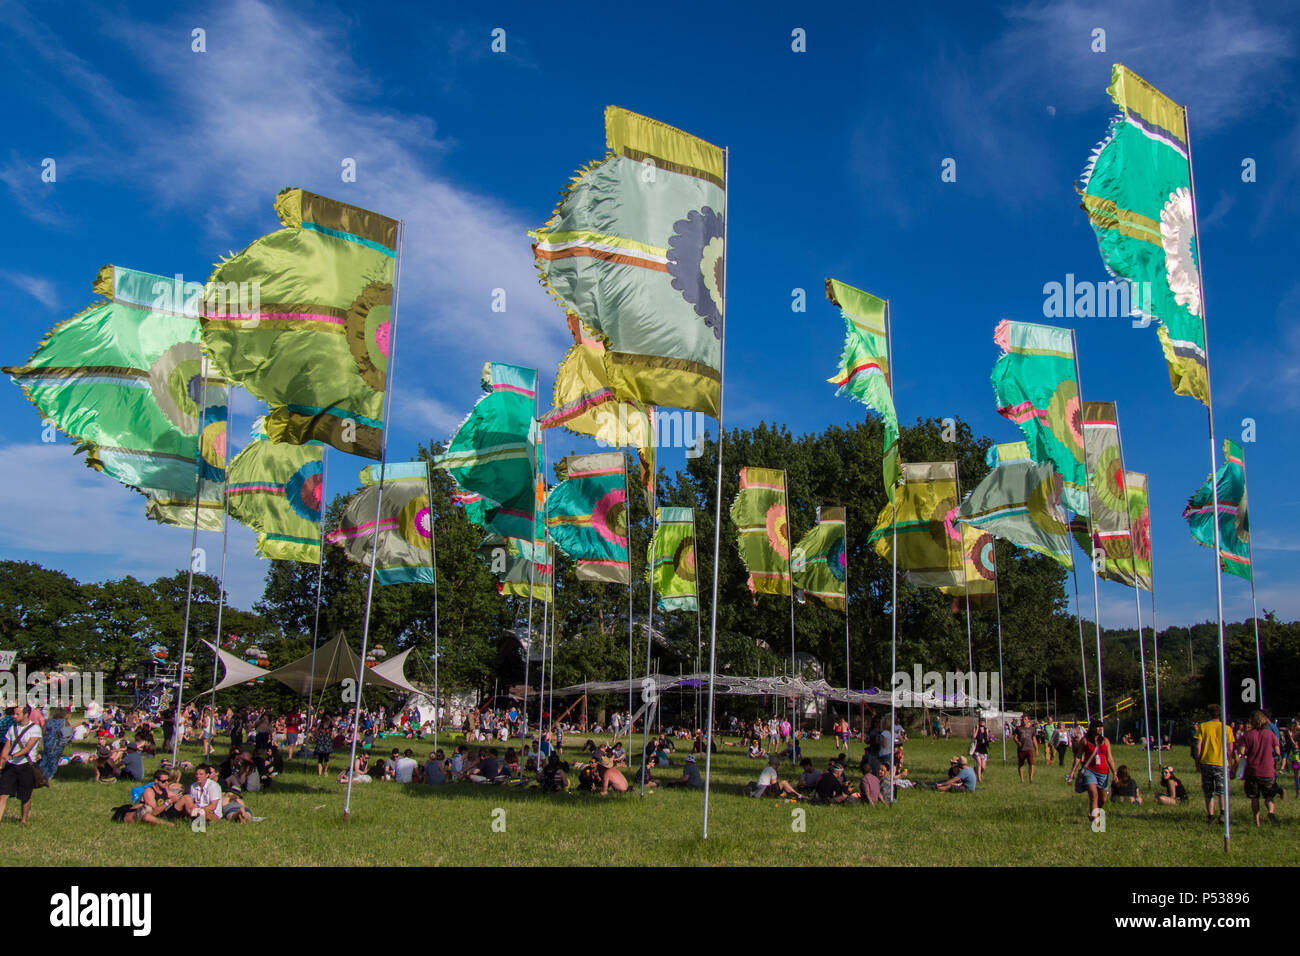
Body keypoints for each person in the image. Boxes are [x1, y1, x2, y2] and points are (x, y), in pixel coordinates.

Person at [1235, 709, 1281, 827]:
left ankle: (1257, 822)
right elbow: (1277, 751)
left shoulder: (1247, 735)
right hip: (1268, 770)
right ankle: (1271, 812)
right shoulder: (1270, 734)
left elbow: (1242, 752)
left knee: (1254, 797)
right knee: (1269, 795)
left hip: (1253, 770)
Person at [1191, 703, 1235, 824]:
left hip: (1206, 762)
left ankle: (1210, 815)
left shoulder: (1203, 727)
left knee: (1208, 790)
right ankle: (1222, 813)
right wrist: (1232, 763)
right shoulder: (1227, 729)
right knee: (1222, 790)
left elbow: (1197, 747)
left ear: (1209, 714)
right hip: (1221, 763)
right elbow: (1230, 749)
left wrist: (1197, 762)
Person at [0, 704, 41, 825]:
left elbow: (28, 748)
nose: (14, 716)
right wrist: (1, 763)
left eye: (17, 714)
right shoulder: (12, 728)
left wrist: (12, 756)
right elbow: (7, 747)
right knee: (2, 794)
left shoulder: (35, 729)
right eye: (14, 713)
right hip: (11, 766)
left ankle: (23, 820)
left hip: (26, 765)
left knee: (25, 796)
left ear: (26, 715)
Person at [1067, 718, 1112, 820]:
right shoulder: (1085, 741)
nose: (1100, 729)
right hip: (1089, 771)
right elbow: (1078, 757)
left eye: (1101, 727)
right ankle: (1095, 819)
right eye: (1097, 727)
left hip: (1103, 772)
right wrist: (1072, 771)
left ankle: (1094, 812)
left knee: (1103, 799)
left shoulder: (1105, 741)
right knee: (1093, 794)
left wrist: (1115, 772)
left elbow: (1109, 758)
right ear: (1092, 728)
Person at [1014, 715, 1036, 783]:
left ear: (1028, 720)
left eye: (1025, 719)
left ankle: (1031, 779)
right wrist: (1017, 742)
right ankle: (1022, 779)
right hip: (1021, 749)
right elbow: (1015, 737)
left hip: (1030, 748)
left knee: (1031, 764)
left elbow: (1034, 739)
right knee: (1021, 764)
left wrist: (1037, 749)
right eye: (1023, 719)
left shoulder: (1032, 729)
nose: (1024, 720)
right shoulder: (1018, 728)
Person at [971, 718, 991, 782]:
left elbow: (987, 738)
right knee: (979, 764)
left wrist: (990, 740)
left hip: (984, 749)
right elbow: (974, 737)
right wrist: (977, 729)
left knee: (983, 767)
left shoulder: (986, 729)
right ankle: (979, 779)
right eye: (981, 721)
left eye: (983, 722)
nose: (982, 723)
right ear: (979, 722)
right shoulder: (976, 728)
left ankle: (976, 774)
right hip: (977, 748)